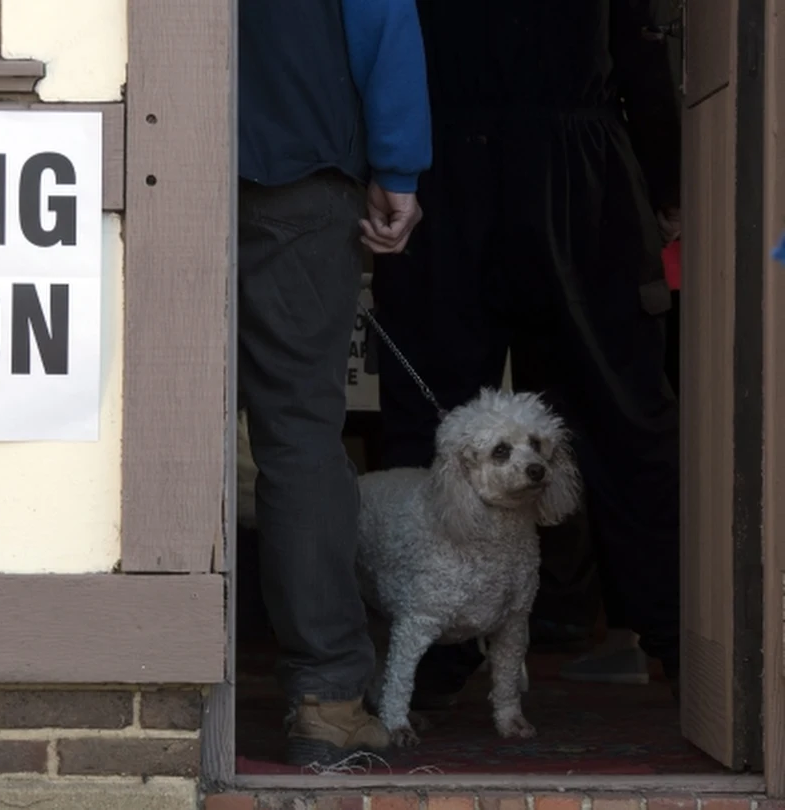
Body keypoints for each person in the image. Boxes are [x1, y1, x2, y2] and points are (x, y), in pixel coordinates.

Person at [369, 0, 682, 707]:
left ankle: (427, 671)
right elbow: (642, 51)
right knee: (622, 416)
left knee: (432, 416)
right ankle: (677, 638)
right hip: (578, 173)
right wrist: (667, 181)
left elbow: (380, 38)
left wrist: (381, 161)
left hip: (445, 162)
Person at [238, 0, 432, 764]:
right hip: (303, 172)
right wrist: (398, 167)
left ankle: (153, 670)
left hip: (159, 154)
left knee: (155, 419)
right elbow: (383, 21)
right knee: (299, 439)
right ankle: (326, 701)